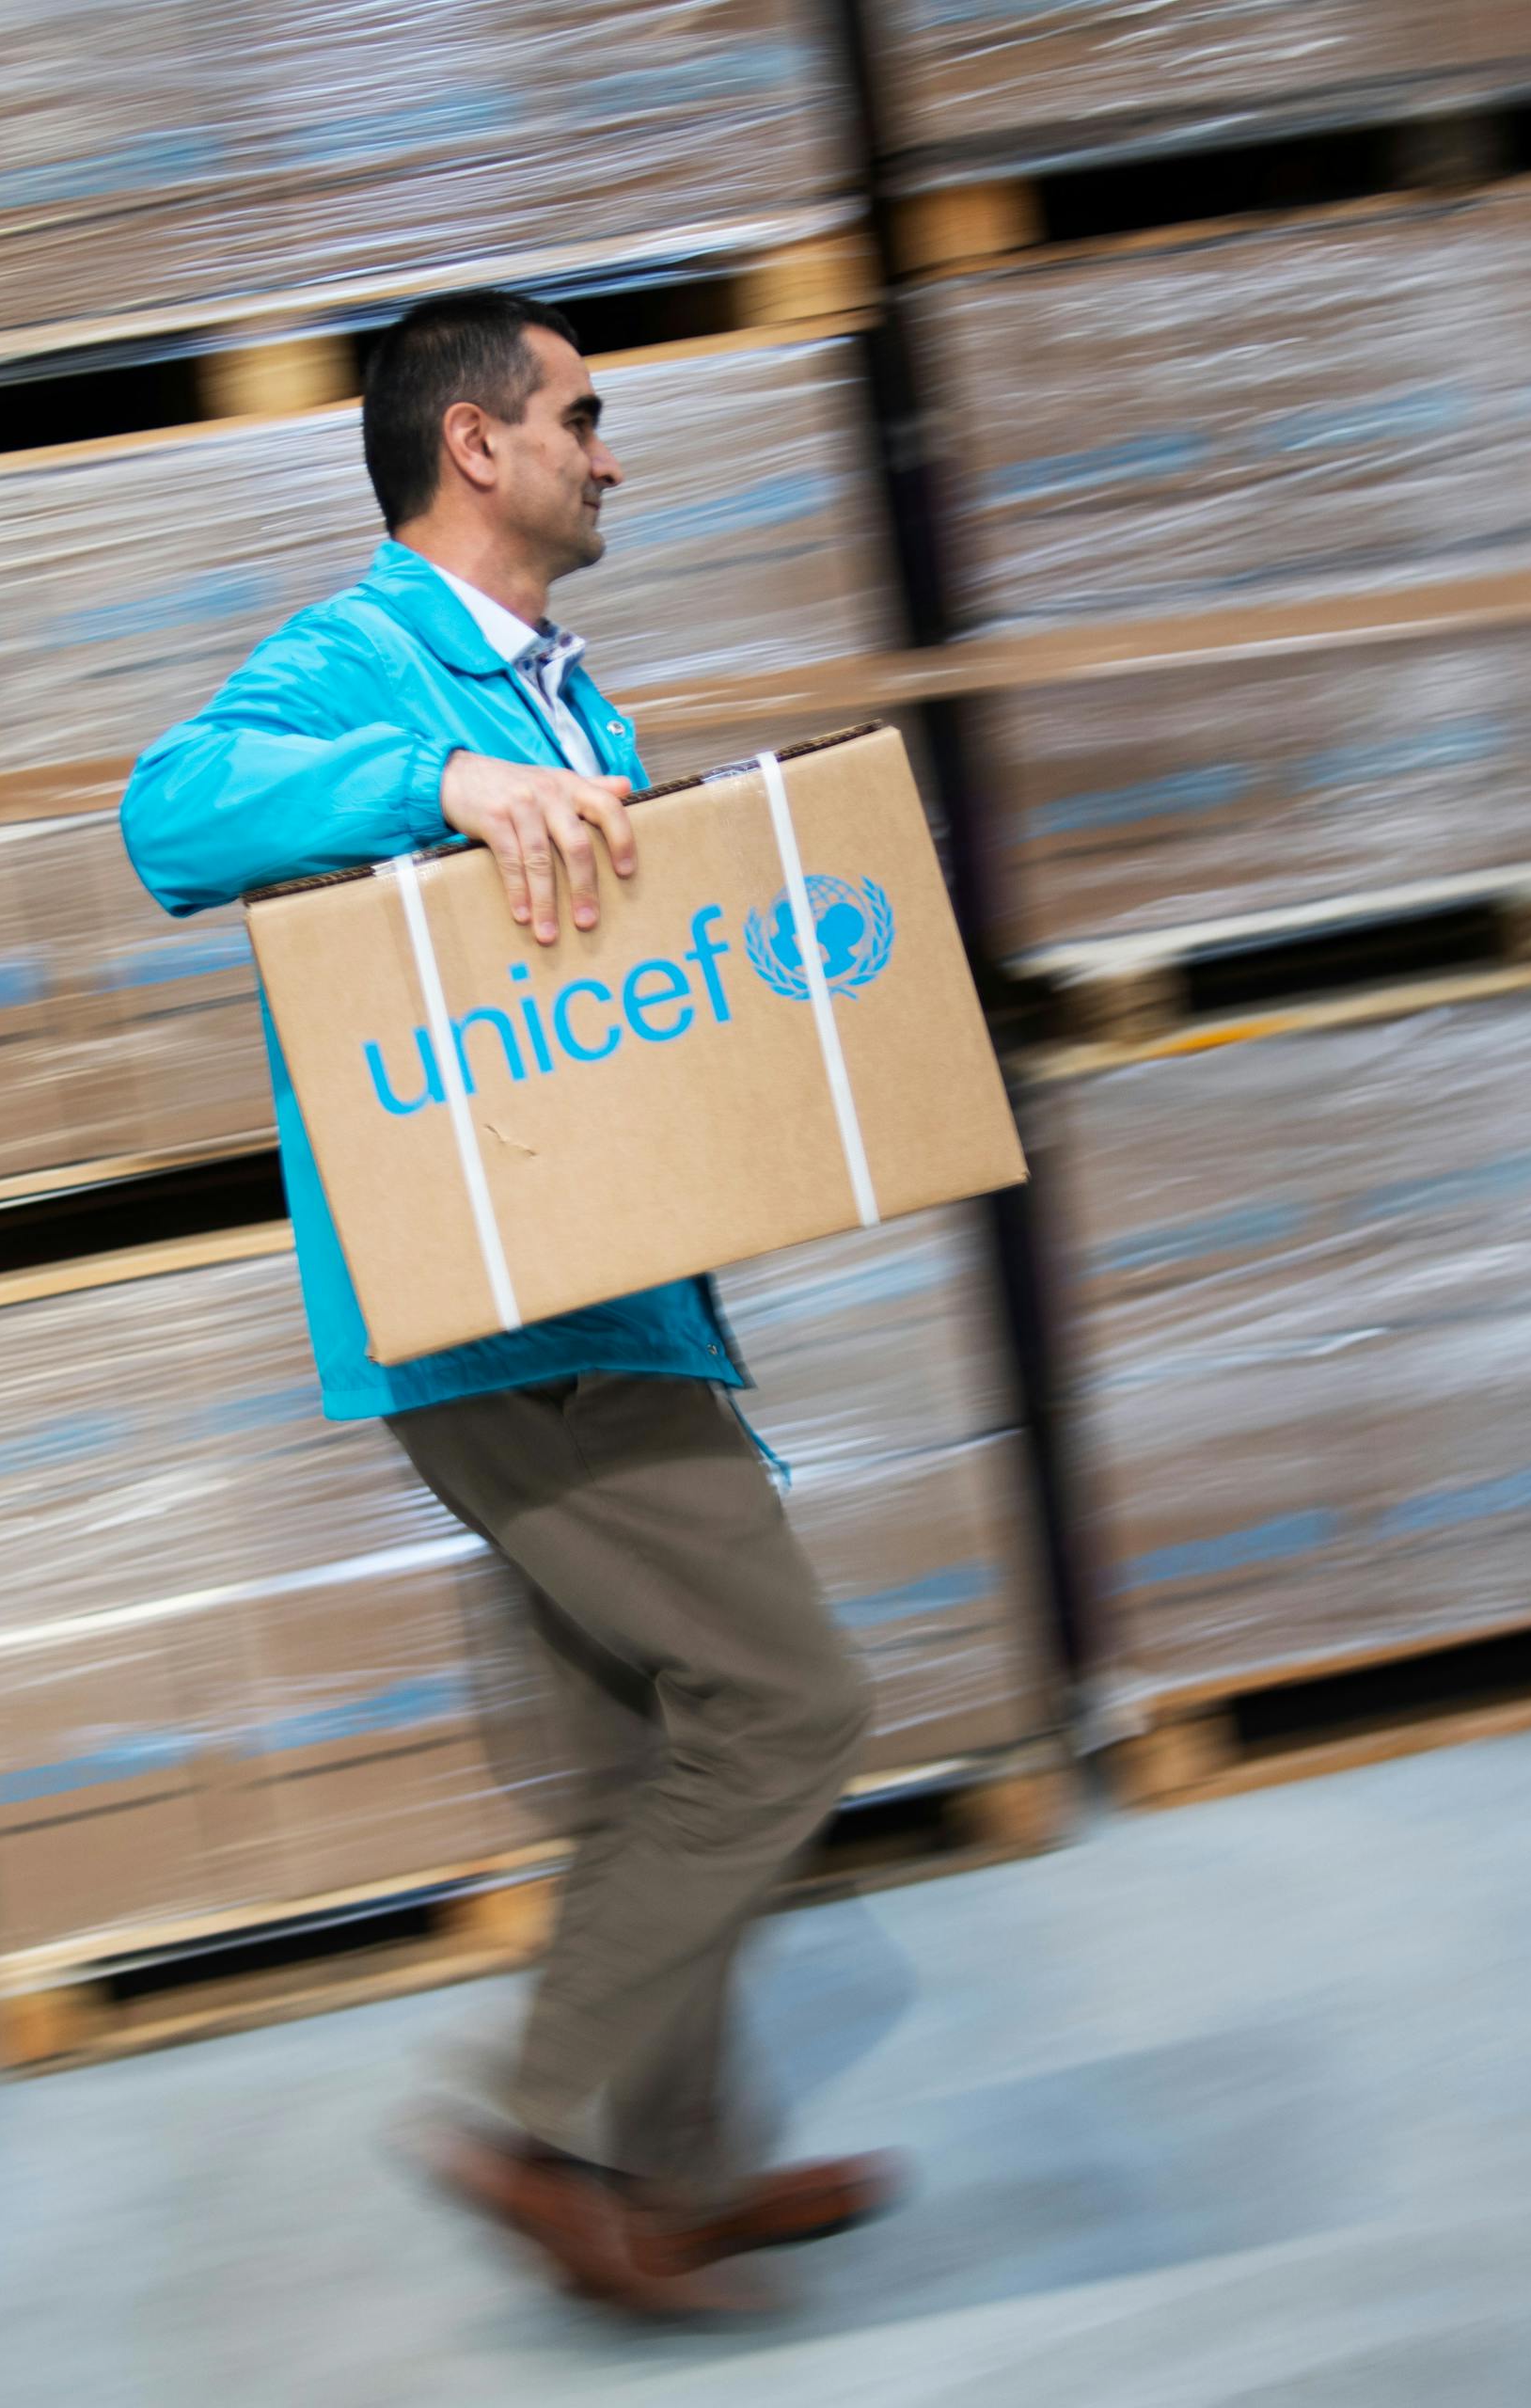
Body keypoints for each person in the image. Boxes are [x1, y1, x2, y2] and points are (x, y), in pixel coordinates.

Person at [118, 291, 895, 2319]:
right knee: (789, 1701)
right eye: (581, 415)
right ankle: (546, 2130)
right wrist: (440, 783)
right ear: (476, 444)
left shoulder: (574, 699)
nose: (608, 452)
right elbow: (169, 813)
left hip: (610, 1295)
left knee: (647, 1751)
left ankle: (670, 2176)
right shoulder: (372, 658)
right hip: (507, 1322)